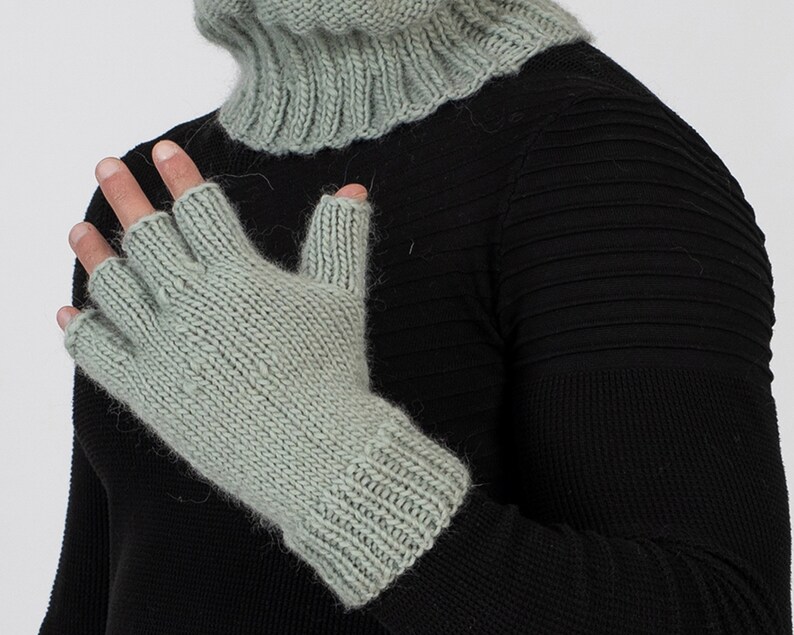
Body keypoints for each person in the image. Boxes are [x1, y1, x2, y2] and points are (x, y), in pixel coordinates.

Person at [41, 0, 791, 633]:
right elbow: (96, 595)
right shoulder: (154, 199)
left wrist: (330, 467)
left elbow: (727, 613)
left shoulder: (594, 156)